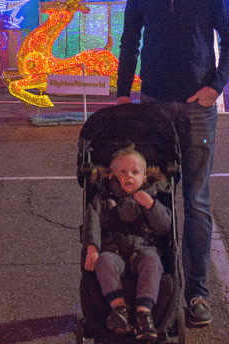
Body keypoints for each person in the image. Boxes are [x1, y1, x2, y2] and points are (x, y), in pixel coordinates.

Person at [116, 0, 229, 328]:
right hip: (152, 107)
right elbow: (130, 40)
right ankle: (161, 292)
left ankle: (198, 294)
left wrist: (215, 87)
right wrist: (121, 93)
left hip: (196, 109)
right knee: (157, 201)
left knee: (197, 202)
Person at [83, 146, 171, 341]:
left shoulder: (151, 197)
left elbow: (164, 227)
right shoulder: (104, 199)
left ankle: (143, 313)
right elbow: (92, 223)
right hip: (113, 253)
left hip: (142, 251)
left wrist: (151, 206)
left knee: (152, 259)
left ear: (145, 178)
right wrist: (92, 248)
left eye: (135, 172)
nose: (128, 177)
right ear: (112, 177)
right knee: (104, 260)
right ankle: (119, 309)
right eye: (122, 172)